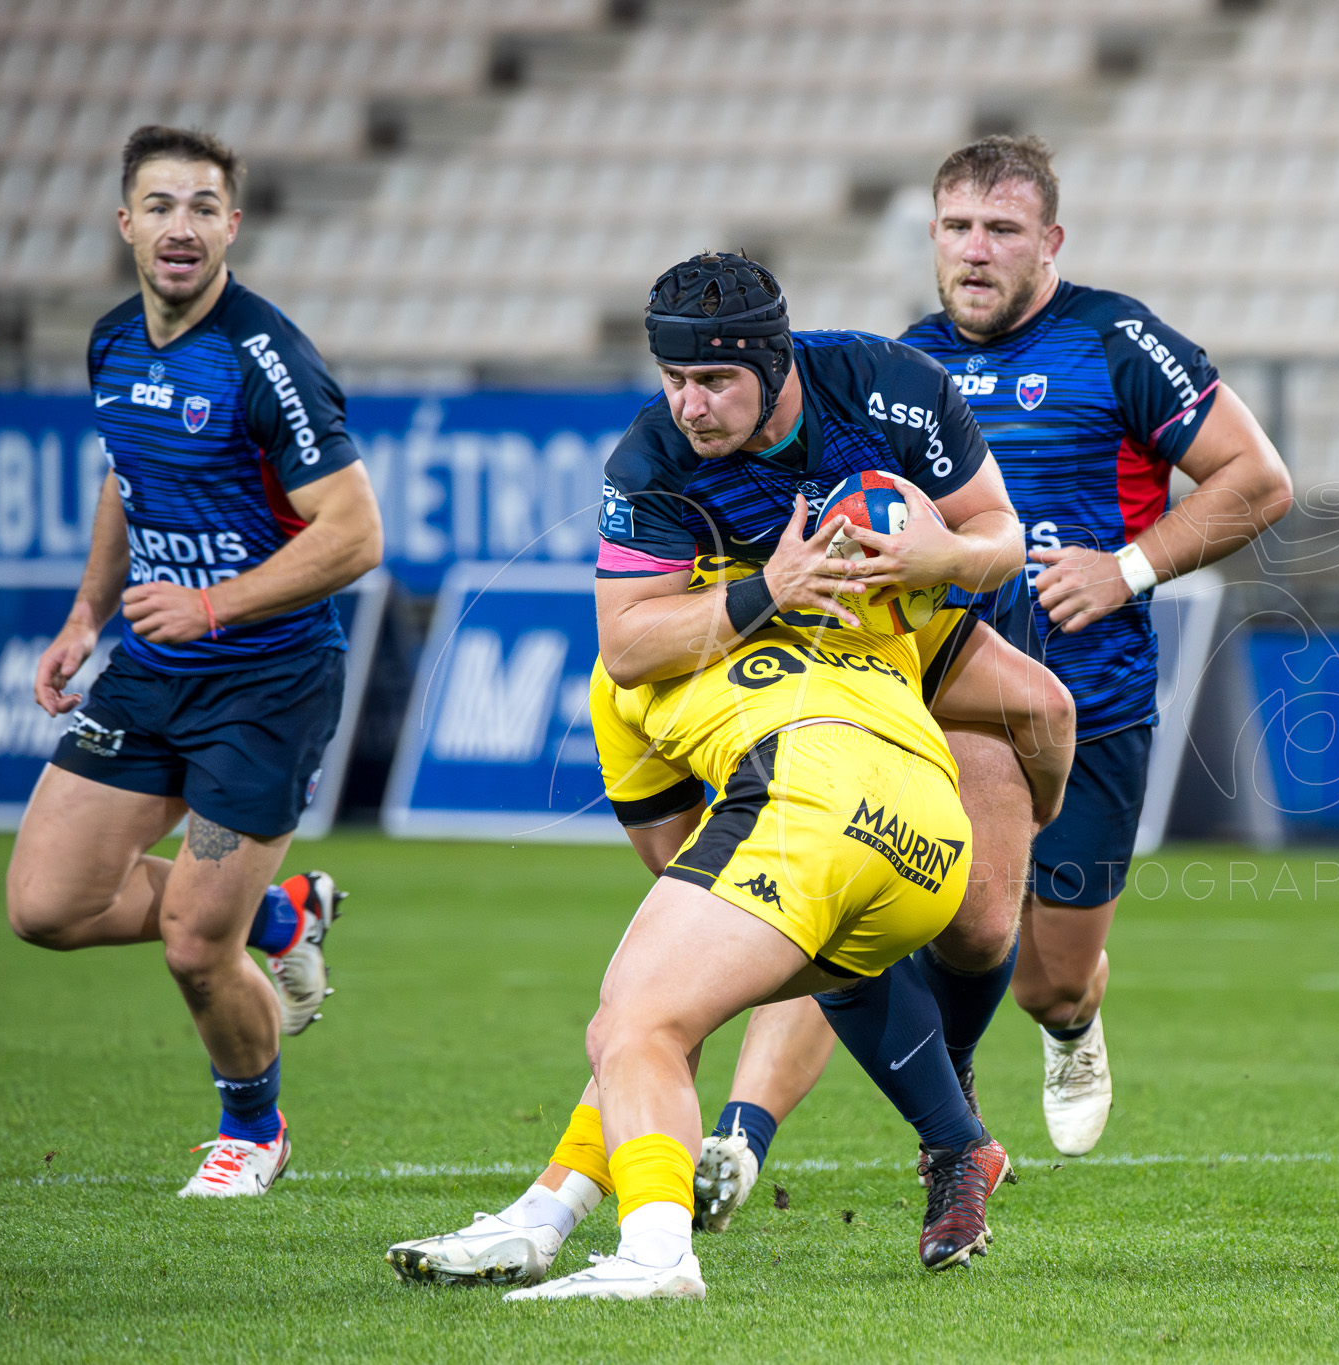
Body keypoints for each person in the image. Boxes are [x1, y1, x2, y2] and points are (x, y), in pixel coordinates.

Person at [388, 252, 1067, 1284]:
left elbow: (1000, 541)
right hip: (827, 713)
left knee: (986, 889)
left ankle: (666, 1236)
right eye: (673, 381)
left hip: (904, 623)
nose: (689, 406)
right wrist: (771, 590)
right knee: (697, 972)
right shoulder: (653, 462)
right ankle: (941, 1137)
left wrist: (937, 564)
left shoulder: (890, 389)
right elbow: (630, 644)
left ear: (773, 361)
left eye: (713, 383)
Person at [679, 134, 1295, 1179]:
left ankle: (1069, 1025)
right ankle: (742, 1141)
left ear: (1047, 241)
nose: (975, 250)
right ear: (930, 236)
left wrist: (1127, 571)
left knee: (1045, 981)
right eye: (956, 227)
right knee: (853, 906)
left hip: (1091, 701)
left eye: (1000, 229)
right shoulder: (896, 367)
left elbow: (1257, 479)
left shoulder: (1114, 341)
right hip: (944, 694)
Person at [5, 126, 382, 1196]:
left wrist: (212, 606)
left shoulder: (267, 358)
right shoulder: (115, 344)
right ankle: (281, 913)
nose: (182, 227)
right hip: (150, 677)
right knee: (44, 907)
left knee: (187, 944)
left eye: (203, 207)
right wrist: (87, 617)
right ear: (126, 224)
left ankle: (252, 1132)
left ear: (233, 225)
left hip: (264, 695)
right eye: (161, 206)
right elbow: (128, 479)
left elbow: (354, 536)